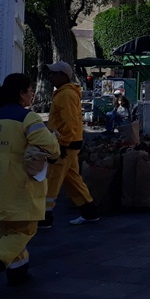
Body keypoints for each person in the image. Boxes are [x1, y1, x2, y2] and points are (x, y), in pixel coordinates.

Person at [0, 73, 60, 297]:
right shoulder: (28, 118)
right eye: (30, 91)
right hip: (20, 184)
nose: (32, 95)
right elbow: (50, 147)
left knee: (7, 232)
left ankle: (18, 273)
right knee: (24, 230)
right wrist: (54, 139)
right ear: (21, 94)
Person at [42, 61, 99, 227]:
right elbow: (71, 122)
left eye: (54, 73)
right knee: (72, 180)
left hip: (64, 145)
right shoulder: (66, 93)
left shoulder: (65, 95)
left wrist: (62, 144)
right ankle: (89, 212)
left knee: (52, 180)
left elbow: (70, 122)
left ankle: (44, 217)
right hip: (70, 144)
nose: (51, 76)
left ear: (63, 76)